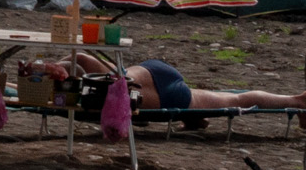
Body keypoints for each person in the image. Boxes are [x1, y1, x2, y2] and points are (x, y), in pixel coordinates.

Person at [72, 52, 306, 112]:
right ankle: (296, 100)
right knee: (230, 98)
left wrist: (55, 68)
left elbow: (80, 58)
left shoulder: (86, 69)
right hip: (148, 73)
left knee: (237, 100)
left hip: (160, 90)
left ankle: (297, 101)